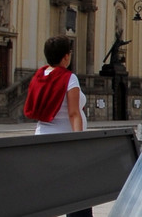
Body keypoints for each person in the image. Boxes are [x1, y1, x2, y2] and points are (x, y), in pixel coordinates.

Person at [25, 35, 92, 217]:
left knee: (48, 191)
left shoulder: (40, 75)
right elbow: (73, 113)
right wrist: (79, 142)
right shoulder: (69, 78)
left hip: (42, 138)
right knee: (79, 194)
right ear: (66, 57)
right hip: (65, 143)